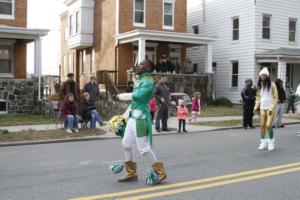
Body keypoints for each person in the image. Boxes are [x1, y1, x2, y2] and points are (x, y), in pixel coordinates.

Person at [116, 59, 166, 185]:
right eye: (138, 64)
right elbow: (134, 102)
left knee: (143, 148)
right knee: (126, 145)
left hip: (141, 120)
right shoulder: (139, 80)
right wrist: (124, 117)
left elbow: (138, 96)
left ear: (148, 68)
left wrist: (122, 96)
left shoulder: (149, 81)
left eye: (141, 64)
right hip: (133, 118)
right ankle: (131, 173)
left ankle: (160, 172)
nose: (138, 66)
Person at [254, 67, 278, 151]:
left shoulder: (272, 84)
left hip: (270, 108)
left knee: (268, 125)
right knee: (262, 126)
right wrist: (256, 106)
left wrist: (272, 107)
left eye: (264, 75)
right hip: (262, 108)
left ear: (267, 76)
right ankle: (263, 142)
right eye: (261, 75)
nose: (262, 77)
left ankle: (271, 143)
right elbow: (258, 97)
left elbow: (275, 97)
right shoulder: (259, 85)